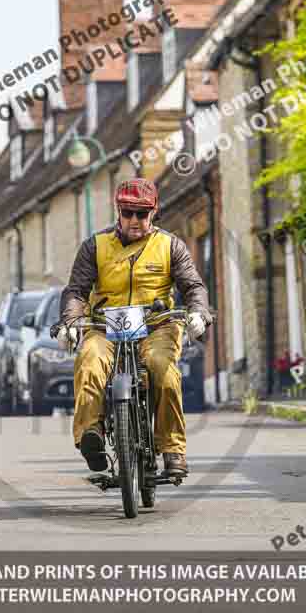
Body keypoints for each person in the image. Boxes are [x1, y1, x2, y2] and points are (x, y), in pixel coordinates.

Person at [55, 178, 213, 476]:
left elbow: (193, 286)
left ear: (154, 212)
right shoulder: (95, 247)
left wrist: (198, 312)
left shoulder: (170, 246)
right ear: (118, 212)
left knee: (162, 369)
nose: (134, 220)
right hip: (104, 326)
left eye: (142, 213)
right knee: (90, 362)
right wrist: (70, 323)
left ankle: (172, 449)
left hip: (157, 327)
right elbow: (76, 291)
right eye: (128, 212)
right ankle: (92, 436)